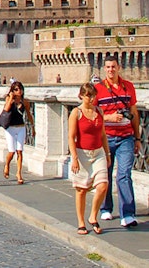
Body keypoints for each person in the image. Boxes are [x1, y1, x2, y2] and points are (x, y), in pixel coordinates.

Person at [95, 54, 141, 227]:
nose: (110, 70)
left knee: (124, 175)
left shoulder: (128, 87)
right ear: (104, 69)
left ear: (118, 67)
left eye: (113, 67)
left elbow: (134, 114)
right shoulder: (98, 89)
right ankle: (106, 208)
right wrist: (109, 117)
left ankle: (128, 214)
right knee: (105, 175)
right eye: (107, 67)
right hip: (105, 138)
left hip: (126, 138)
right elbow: (93, 114)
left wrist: (137, 138)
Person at [69, 82, 111, 235]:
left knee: (103, 186)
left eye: (93, 95)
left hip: (98, 152)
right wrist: (74, 158)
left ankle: (93, 216)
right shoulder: (76, 112)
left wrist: (107, 154)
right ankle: (81, 222)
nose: (91, 99)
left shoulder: (99, 111)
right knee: (81, 190)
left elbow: (103, 135)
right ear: (81, 96)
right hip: (82, 154)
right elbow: (71, 137)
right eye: (88, 96)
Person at [0, 81, 33, 184]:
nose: (19, 91)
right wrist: (10, 98)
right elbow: (6, 109)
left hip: (21, 127)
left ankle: (19, 173)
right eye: (16, 89)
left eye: (20, 89)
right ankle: (7, 165)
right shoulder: (9, 100)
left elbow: (29, 115)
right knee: (12, 151)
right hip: (10, 128)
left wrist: (33, 127)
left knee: (20, 151)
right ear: (12, 91)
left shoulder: (25, 102)